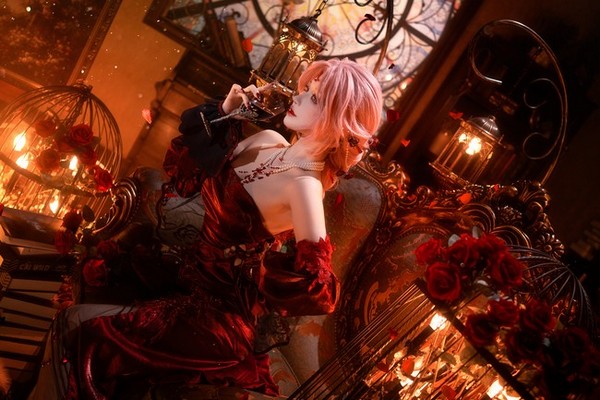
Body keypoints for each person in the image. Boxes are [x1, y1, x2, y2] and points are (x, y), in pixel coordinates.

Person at [29, 58, 383, 399]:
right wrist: (228, 111)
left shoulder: (305, 187)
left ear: (337, 123)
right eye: (306, 89)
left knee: (80, 331)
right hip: (186, 277)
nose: (299, 98)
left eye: (315, 99)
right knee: (75, 315)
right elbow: (194, 169)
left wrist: (262, 269)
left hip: (218, 318)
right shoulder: (267, 141)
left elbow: (318, 289)